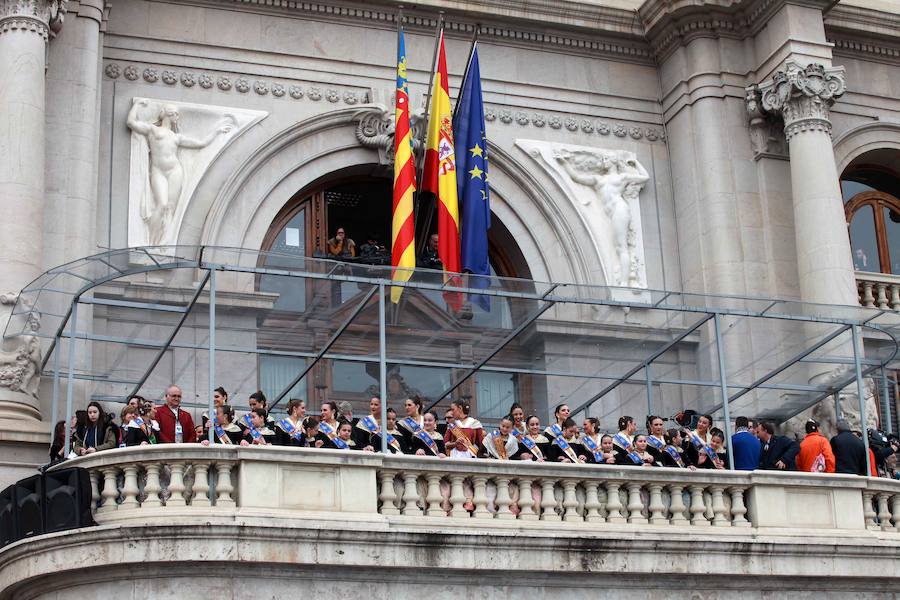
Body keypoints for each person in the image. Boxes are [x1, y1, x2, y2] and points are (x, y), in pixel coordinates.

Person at [126, 100, 232, 245]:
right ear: (169, 114)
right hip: (158, 171)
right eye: (176, 114)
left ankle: (163, 243)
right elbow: (131, 123)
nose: (177, 118)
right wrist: (137, 105)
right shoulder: (153, 130)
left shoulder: (176, 137)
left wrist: (217, 131)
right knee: (161, 205)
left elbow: (201, 143)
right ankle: (150, 243)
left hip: (175, 171)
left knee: (170, 208)